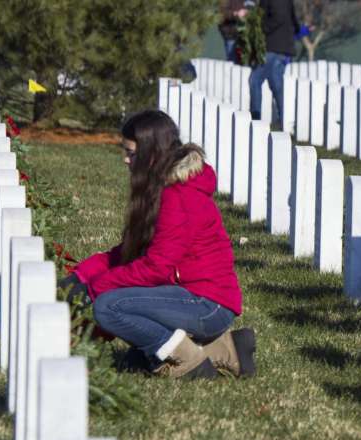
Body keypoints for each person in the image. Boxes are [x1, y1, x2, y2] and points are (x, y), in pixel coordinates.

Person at [62, 110, 255, 379]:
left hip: (207, 304)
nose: (125, 160)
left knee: (108, 307)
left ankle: (188, 362)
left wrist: (95, 288)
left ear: (152, 154)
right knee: (137, 356)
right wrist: (83, 276)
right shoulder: (164, 187)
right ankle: (228, 350)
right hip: (188, 295)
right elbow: (131, 251)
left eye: (131, 153)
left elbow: (155, 268)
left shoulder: (179, 197)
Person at [249, 0, 300, 127]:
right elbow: (293, 19)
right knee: (276, 85)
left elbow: (279, 17)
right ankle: (285, 120)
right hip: (280, 47)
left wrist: (260, 30)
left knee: (255, 80)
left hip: (274, 47)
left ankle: (255, 120)